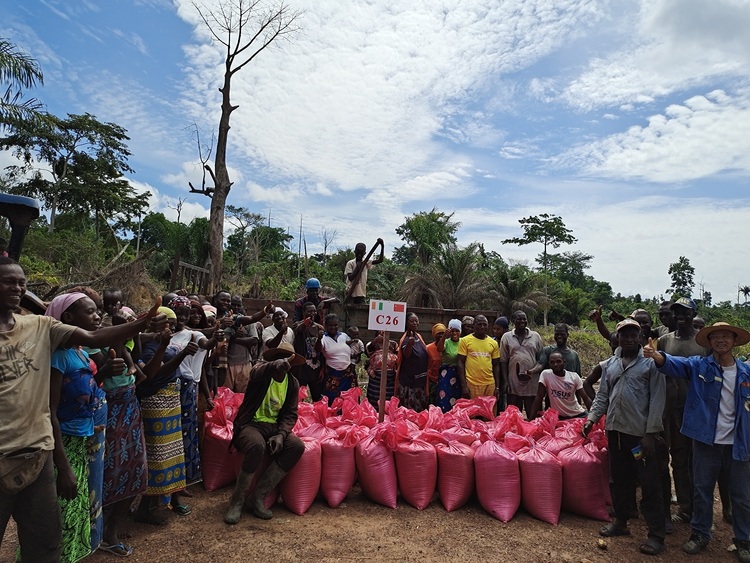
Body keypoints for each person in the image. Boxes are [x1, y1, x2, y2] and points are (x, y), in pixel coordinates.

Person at [0, 257, 165, 563]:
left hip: (39, 452)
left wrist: (141, 324)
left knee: (46, 544)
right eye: (9, 281)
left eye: (21, 281)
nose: (18, 287)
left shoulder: (39, 326)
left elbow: (92, 337)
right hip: (4, 454)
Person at [644, 322, 750, 561]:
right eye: (716, 337)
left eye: (726, 336)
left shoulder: (746, 372)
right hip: (706, 442)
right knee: (701, 490)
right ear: (710, 343)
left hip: (739, 443)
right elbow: (674, 364)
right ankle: (700, 534)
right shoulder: (700, 366)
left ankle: (744, 540)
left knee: (742, 496)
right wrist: (655, 354)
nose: (721, 340)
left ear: (734, 341)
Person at [583, 318, 667, 556]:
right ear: (617, 338)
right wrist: (591, 419)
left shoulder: (652, 364)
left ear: (640, 338)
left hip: (639, 438)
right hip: (616, 433)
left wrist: (651, 434)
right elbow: (602, 396)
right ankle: (621, 522)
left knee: (649, 482)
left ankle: (656, 535)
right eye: (624, 335)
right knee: (619, 479)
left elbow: (657, 399)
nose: (629, 339)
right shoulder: (611, 364)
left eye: (633, 335)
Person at [44, 293, 110, 562]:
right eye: (90, 312)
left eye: (98, 312)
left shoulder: (78, 352)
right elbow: (51, 410)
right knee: (64, 513)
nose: (97, 316)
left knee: (78, 510)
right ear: (68, 318)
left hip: (82, 439)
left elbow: (81, 395)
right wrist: (63, 467)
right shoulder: (59, 356)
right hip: (66, 445)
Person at [224, 342, 305, 524]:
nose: (284, 365)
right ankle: (237, 501)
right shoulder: (260, 374)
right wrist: (273, 366)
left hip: (274, 428)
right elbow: (255, 372)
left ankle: (258, 496)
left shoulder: (292, 383)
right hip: (250, 424)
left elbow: (290, 414)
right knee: (256, 446)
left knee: (297, 446)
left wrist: (281, 435)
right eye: (281, 360)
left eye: (288, 362)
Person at [655, 297, 709, 526]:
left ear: (693, 313)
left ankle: (701, 510)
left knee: (698, 462)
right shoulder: (665, 341)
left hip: (698, 410)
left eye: (685, 312)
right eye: (677, 312)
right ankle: (686, 508)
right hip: (673, 410)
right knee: (678, 459)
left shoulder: (703, 342)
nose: (680, 316)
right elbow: (658, 374)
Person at [500, 311, 543, 417]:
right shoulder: (507, 337)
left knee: (533, 414)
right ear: (513, 321)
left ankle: (533, 432)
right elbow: (503, 361)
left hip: (532, 382)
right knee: (514, 415)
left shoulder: (536, 336)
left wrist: (532, 372)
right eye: (519, 319)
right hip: (513, 382)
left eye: (524, 319)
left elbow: (541, 360)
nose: (522, 321)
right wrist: (505, 381)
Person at [530, 351, 591, 420]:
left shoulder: (574, 377)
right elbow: (539, 397)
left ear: (564, 363)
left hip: (577, 414)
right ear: (549, 364)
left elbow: (585, 398)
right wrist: (530, 420)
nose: (555, 364)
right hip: (559, 416)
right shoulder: (546, 375)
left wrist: (593, 417)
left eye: (558, 361)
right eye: (552, 362)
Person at [456, 315, 501, 406]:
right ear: (474, 325)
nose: (482, 327)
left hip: (489, 384)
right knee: (471, 414)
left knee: (489, 416)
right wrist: (464, 386)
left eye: (485, 324)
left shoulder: (493, 343)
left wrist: (497, 387)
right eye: (479, 324)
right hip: (471, 384)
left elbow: (496, 365)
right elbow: (460, 362)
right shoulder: (465, 341)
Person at [395, 312, 430, 411]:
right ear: (406, 323)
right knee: (410, 411)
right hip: (410, 384)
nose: (415, 323)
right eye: (411, 321)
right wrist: (410, 344)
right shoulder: (406, 339)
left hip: (421, 382)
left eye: (416, 320)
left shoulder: (418, 336)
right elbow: (406, 354)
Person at [291, 302, 325, 401]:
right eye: (309, 311)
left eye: (314, 311)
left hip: (315, 368)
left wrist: (319, 338)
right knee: (299, 397)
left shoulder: (319, 328)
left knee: (317, 397)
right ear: (303, 312)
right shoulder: (298, 324)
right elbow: (298, 330)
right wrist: (306, 323)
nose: (312, 313)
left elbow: (321, 350)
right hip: (301, 369)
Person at [316, 313, 354, 402]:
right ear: (326, 326)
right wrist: (318, 338)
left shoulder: (344, 336)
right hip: (333, 374)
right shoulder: (323, 338)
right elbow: (318, 349)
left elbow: (351, 344)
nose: (333, 327)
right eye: (330, 325)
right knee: (332, 399)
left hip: (347, 374)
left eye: (335, 325)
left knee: (347, 398)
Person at [344, 239, 384, 303]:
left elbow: (380, 260)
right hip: (350, 293)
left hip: (360, 294)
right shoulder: (350, 263)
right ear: (355, 252)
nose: (359, 255)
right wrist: (358, 267)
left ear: (364, 253)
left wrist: (382, 246)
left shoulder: (366, 262)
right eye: (358, 253)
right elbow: (350, 278)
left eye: (361, 253)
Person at [435, 319, 462, 412]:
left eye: (457, 331)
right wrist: (444, 337)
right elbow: (439, 348)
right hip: (446, 375)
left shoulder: (463, 342)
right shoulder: (446, 341)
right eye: (452, 331)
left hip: (459, 374)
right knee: (444, 399)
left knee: (457, 399)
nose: (454, 333)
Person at [365, 337, 398, 409]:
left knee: (387, 401)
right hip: (375, 378)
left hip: (390, 378)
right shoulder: (371, 344)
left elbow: (398, 356)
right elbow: (367, 352)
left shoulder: (393, 343)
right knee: (374, 402)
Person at [425, 323, 446, 404]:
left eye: (443, 333)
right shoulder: (428, 348)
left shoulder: (448, 346)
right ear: (434, 335)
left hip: (445, 381)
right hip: (432, 381)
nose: (441, 335)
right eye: (438, 333)